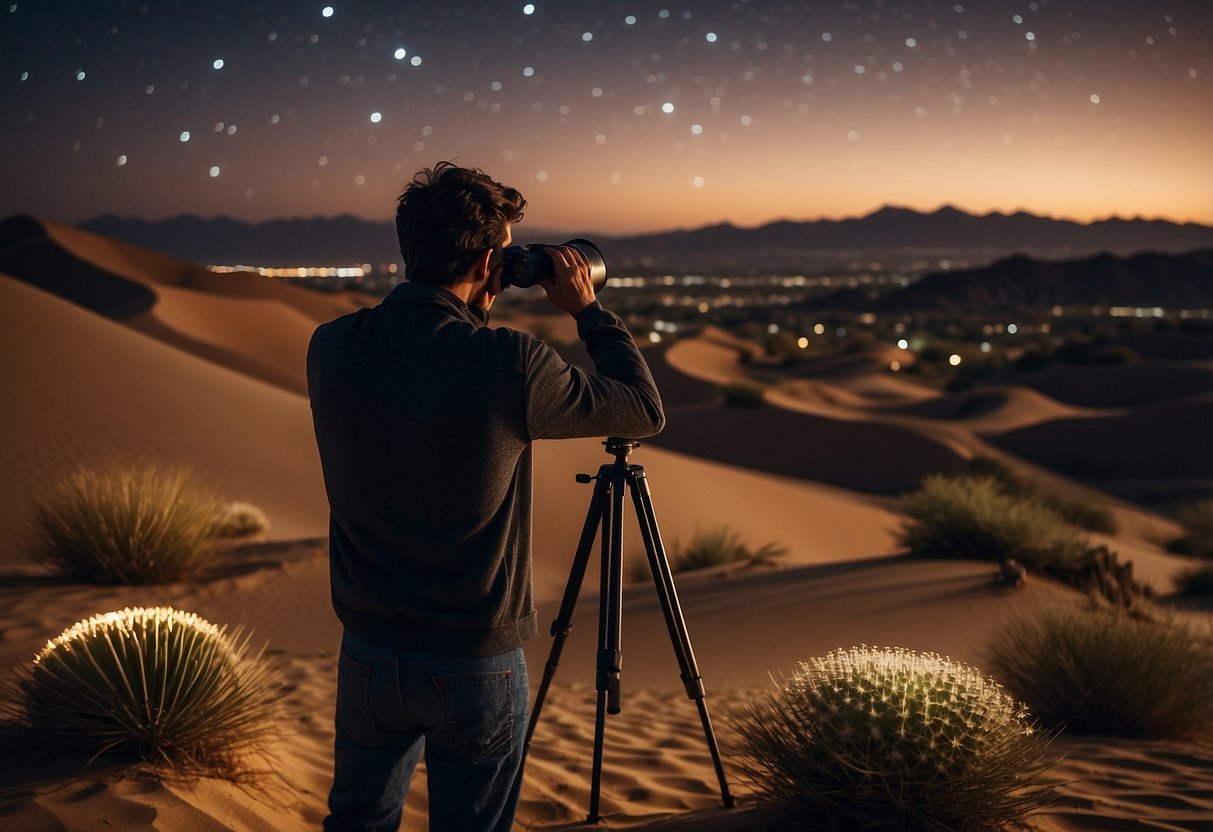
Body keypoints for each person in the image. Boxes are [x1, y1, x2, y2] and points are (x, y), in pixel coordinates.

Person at [306, 161, 664, 831]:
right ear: (488, 258)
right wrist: (587, 310)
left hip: (368, 652)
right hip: (473, 660)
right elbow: (641, 409)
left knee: (355, 823)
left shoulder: (331, 347)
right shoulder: (509, 362)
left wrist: (475, 299)